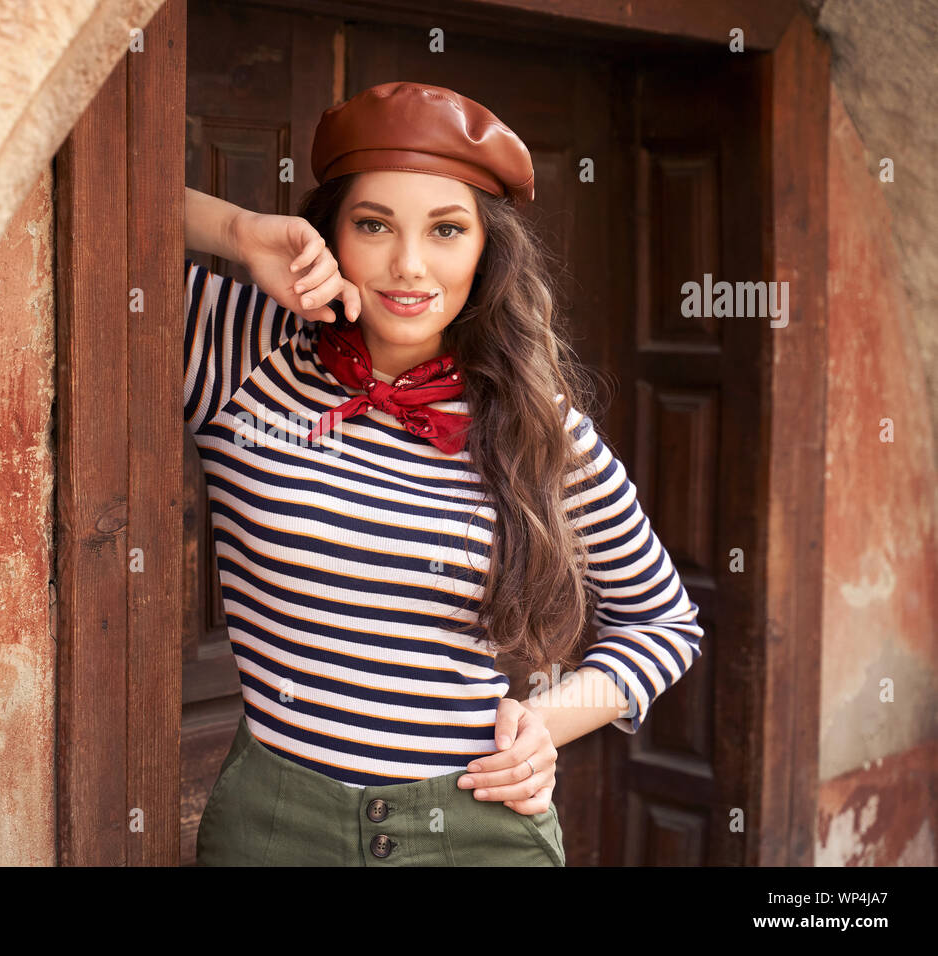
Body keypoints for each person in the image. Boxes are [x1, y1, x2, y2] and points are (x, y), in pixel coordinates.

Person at [183, 82, 704, 866]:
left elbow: (665, 623)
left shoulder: (535, 421)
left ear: (486, 251)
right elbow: (89, 182)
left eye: (447, 230)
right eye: (374, 224)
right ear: (330, 235)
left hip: (474, 828)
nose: (410, 265)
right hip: (273, 830)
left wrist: (545, 725)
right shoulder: (242, 351)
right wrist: (241, 230)